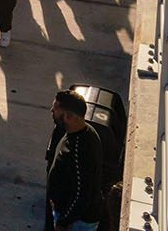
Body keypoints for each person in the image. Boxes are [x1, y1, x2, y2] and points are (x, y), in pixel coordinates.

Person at [46, 89, 106, 231]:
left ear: (68, 117)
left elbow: (82, 195)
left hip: (77, 223)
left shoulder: (79, 151)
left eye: (55, 110)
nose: (51, 111)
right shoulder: (84, 131)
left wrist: (63, 221)